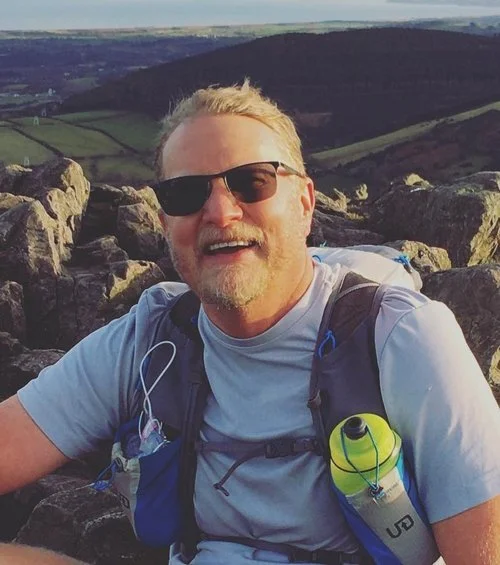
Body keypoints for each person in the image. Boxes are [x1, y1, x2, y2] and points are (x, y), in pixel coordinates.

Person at [0, 81, 499, 565]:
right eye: (186, 193)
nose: (220, 212)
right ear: (164, 222)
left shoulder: (399, 338)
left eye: (252, 181)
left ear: (304, 203)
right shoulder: (151, 341)